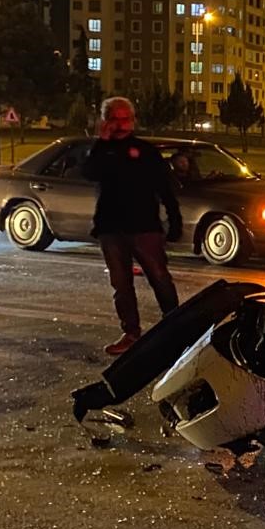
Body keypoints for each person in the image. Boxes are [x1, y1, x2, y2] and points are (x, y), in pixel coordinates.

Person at [82, 97, 183, 356]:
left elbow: (165, 187)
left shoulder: (146, 151)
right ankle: (131, 332)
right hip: (111, 228)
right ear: (106, 121)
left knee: (159, 278)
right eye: (115, 119)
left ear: (133, 120)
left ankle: (176, 327)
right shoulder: (102, 151)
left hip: (145, 226)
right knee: (121, 283)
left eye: (126, 118)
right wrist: (101, 142)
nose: (121, 124)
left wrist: (174, 220)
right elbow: (89, 172)